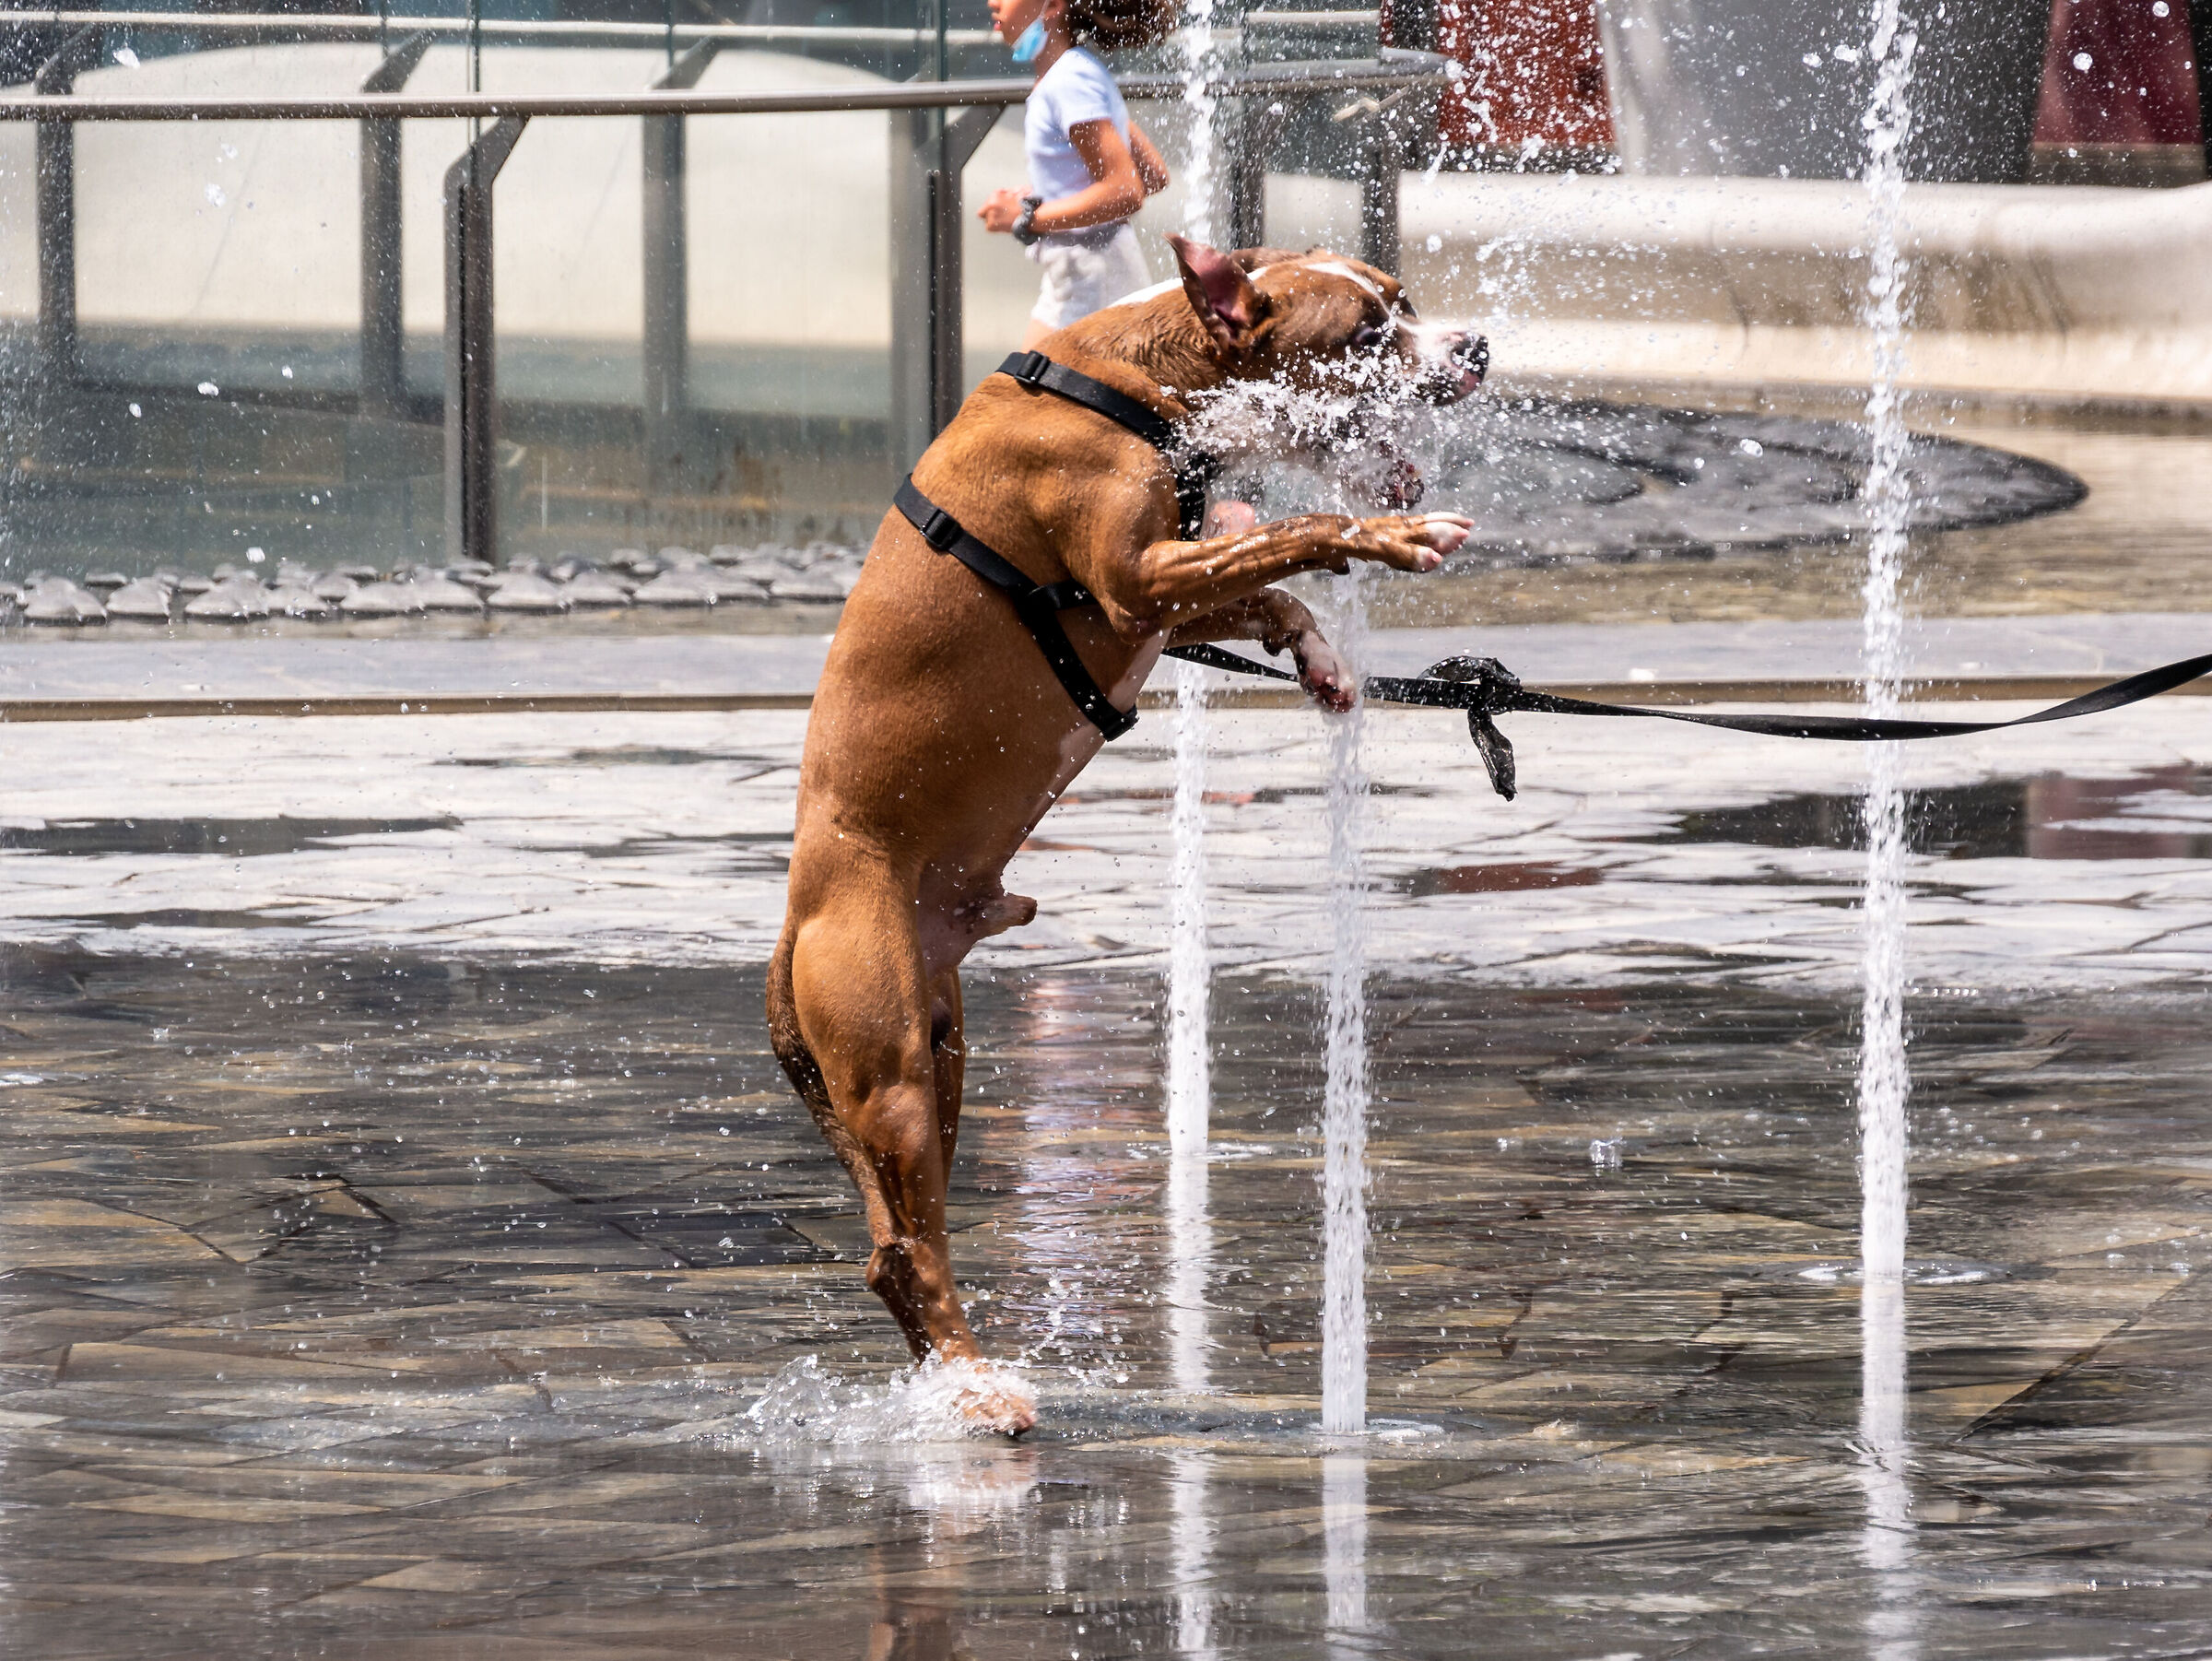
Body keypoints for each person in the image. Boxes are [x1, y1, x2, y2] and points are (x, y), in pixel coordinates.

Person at [979, 0, 1174, 348]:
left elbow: (1126, 190)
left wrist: (1026, 217)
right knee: (1022, 380)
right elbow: (1152, 174)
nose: (993, 1)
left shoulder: (1068, 81)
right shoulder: (1074, 72)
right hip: (1084, 278)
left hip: (1092, 287)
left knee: (1024, 382)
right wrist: (1053, 196)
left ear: (1053, 5)